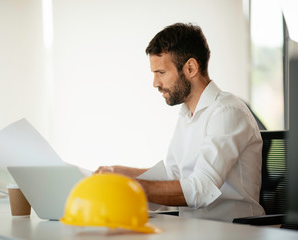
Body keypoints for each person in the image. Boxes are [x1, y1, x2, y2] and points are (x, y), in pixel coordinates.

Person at [95, 23, 265, 222]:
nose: (155, 83)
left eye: (161, 73)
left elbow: (201, 189)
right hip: (196, 229)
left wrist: (130, 187)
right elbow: (174, 178)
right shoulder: (187, 114)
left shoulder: (227, 112)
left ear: (190, 68)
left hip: (233, 231)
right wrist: (117, 173)